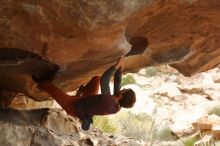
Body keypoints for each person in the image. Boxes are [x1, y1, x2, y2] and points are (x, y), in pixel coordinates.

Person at [37, 57, 136, 130]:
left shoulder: (109, 102)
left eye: (124, 89)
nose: (123, 88)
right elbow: (117, 83)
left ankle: (40, 83)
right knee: (96, 79)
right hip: (87, 99)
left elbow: (105, 79)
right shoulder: (117, 104)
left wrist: (116, 65)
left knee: (48, 86)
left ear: (122, 95)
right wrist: (121, 67)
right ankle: (81, 93)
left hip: (74, 107)